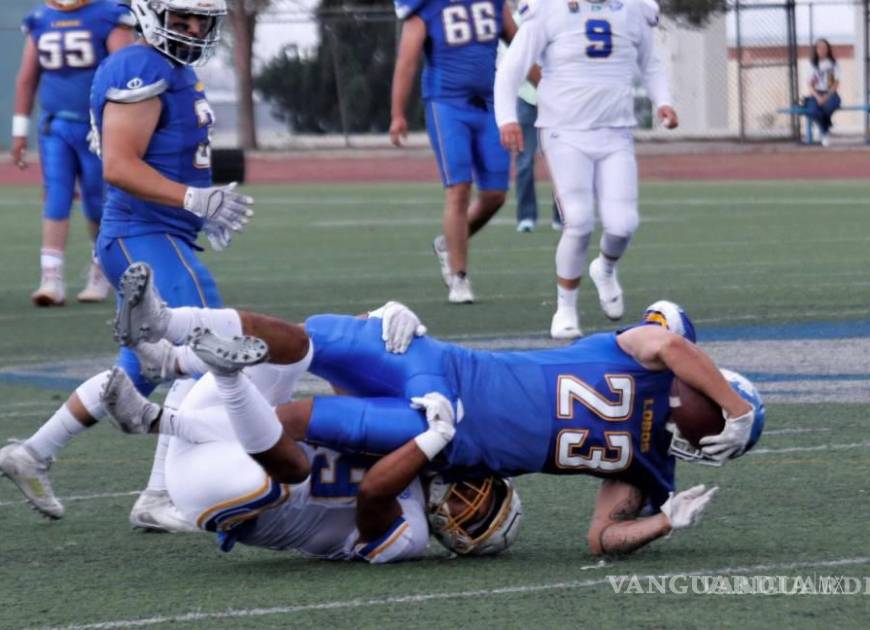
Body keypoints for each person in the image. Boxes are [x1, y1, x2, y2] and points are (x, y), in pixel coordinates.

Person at [113, 263, 764, 555]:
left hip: (441, 432)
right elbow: (670, 343)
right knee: (306, 339)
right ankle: (168, 332)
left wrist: (664, 523)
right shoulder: (648, 356)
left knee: (296, 418)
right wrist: (735, 408)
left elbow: (601, 538)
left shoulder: (649, 468)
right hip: (439, 375)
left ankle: (172, 402)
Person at [0, 0, 254, 532]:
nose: (192, 29)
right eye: (180, 18)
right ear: (151, 14)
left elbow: (167, 154)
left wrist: (197, 211)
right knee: (205, 349)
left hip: (155, 234)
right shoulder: (139, 65)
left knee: (140, 371)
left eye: (200, 20)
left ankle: (33, 452)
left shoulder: (170, 67)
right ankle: (159, 494)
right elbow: (118, 166)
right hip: (142, 235)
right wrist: (193, 199)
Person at [100, 332, 522, 561]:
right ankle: (170, 373)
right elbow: (349, 390)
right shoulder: (415, 448)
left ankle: (179, 405)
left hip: (219, 492)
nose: (469, 498)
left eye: (476, 514)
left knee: (289, 470)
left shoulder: (411, 537)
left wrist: (433, 438)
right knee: (293, 346)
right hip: (218, 434)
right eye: (483, 492)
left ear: (459, 539)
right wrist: (374, 328)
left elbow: (374, 492)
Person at [494, 0, 678, 339]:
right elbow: (512, 67)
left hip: (616, 130)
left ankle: (604, 268)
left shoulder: (634, 8)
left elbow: (650, 61)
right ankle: (566, 307)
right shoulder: (549, 8)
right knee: (578, 220)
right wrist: (507, 118)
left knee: (623, 224)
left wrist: (663, 100)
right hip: (563, 130)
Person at [389, 0, 517, 303]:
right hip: (446, 103)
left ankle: (447, 244)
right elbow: (407, 61)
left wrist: (548, 91)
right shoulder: (426, 6)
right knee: (459, 189)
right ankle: (459, 277)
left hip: (490, 102)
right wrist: (398, 113)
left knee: (495, 195)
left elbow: (521, 45)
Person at [12, 0, 135, 306]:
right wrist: (19, 130)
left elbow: (126, 73)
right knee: (56, 195)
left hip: (97, 127)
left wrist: (122, 124)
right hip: (55, 125)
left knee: (96, 199)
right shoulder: (40, 18)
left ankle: (102, 267)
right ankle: (50, 278)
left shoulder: (109, 14)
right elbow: (27, 78)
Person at [805, 38, 841, 148]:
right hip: (816, 94)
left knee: (830, 105)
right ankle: (825, 129)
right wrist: (818, 97)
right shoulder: (812, 64)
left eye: (824, 47)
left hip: (830, 93)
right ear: (815, 50)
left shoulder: (833, 64)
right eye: (819, 47)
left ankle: (823, 129)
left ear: (828, 49)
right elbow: (809, 85)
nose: (822, 50)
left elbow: (834, 84)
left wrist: (825, 97)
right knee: (812, 110)